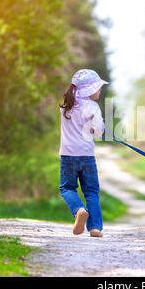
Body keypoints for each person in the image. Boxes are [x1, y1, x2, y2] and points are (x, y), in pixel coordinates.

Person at [58, 69, 108, 237]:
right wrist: (99, 128)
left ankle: (78, 209)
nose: (100, 90)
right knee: (91, 191)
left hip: (68, 156)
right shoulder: (93, 107)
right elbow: (99, 132)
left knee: (67, 188)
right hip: (87, 155)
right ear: (88, 89)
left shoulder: (66, 106)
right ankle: (95, 228)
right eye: (97, 87)